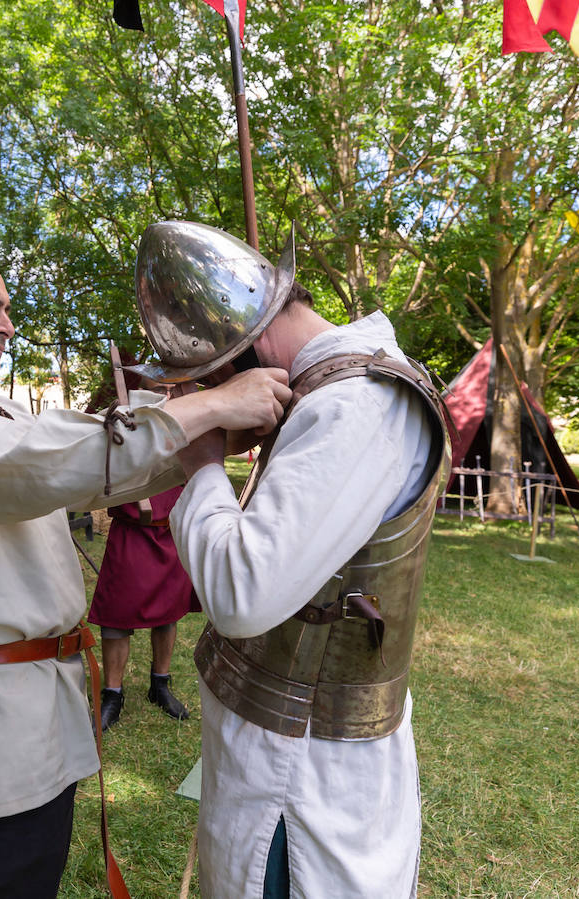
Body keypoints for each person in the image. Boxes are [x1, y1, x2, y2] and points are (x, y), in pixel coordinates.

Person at [0, 250, 290, 898]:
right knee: (11, 882)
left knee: (37, 874)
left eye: (6, 308)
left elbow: (89, 472)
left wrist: (210, 443)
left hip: (39, 698)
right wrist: (209, 405)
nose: (7, 323)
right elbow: (28, 468)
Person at [128, 221, 449, 897]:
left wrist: (202, 462)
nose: (210, 394)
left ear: (239, 350)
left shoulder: (357, 406)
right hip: (283, 746)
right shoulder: (332, 394)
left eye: (207, 379)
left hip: (303, 778)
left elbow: (242, 593)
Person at [88, 481, 199, 730]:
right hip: (131, 530)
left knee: (168, 613)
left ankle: (159, 686)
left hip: (172, 532)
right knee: (116, 615)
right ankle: (113, 696)